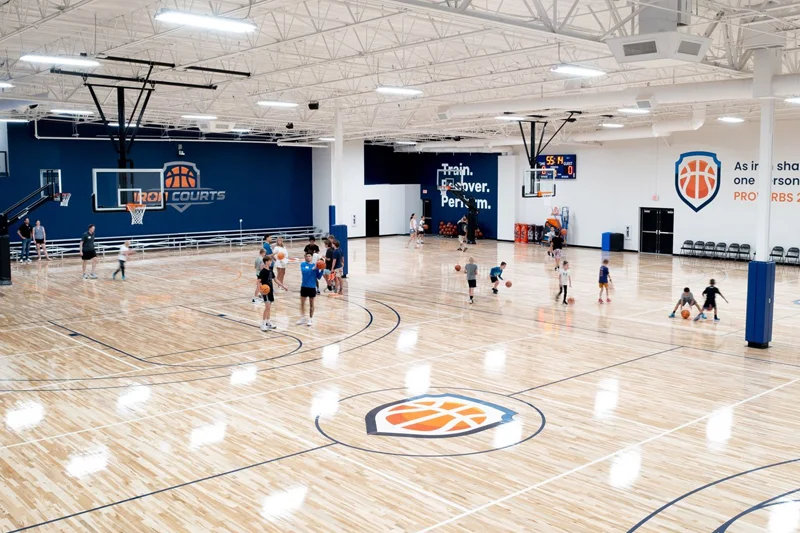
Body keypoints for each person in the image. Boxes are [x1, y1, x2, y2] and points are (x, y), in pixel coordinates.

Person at [297, 252, 323, 326]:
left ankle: (310, 319)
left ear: (311, 257)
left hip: (312, 287)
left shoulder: (316, 266)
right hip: (304, 286)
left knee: (311, 304)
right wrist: (313, 268)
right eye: (306, 256)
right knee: (302, 303)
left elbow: (319, 277)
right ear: (305, 257)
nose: (308, 257)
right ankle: (302, 318)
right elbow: (304, 272)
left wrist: (322, 269)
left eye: (309, 256)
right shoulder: (303, 264)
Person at [259, 256, 276, 331]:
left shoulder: (270, 270)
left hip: (271, 291)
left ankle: (268, 322)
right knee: (267, 307)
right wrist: (261, 290)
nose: (271, 262)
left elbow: (275, 279)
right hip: (265, 292)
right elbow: (258, 281)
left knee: (269, 308)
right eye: (270, 261)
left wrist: (283, 286)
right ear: (266, 262)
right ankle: (263, 324)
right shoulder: (263, 271)